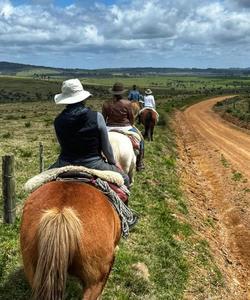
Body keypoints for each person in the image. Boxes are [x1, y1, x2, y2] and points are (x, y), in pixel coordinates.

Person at [49, 78, 130, 188]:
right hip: (94, 163)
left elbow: (62, 145)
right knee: (125, 179)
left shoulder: (58, 120)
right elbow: (106, 148)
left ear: (65, 100)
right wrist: (113, 162)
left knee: (40, 184)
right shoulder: (97, 117)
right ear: (83, 98)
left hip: (65, 163)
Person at [102, 82, 145, 171]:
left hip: (109, 127)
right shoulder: (127, 103)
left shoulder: (106, 104)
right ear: (122, 92)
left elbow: (103, 118)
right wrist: (132, 124)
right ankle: (139, 163)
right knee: (141, 139)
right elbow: (131, 118)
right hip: (126, 127)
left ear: (113, 92)